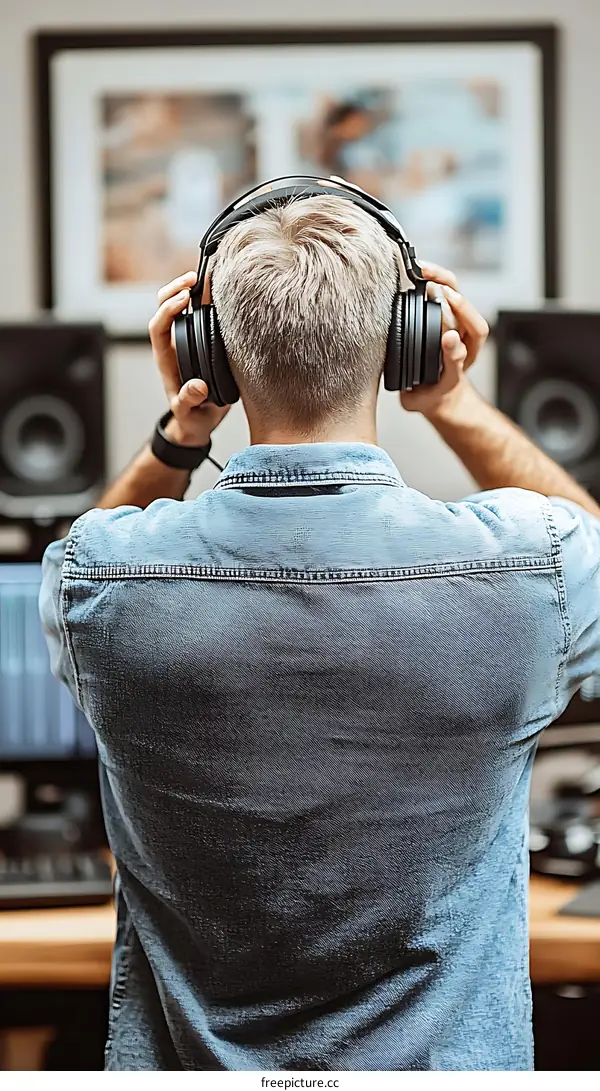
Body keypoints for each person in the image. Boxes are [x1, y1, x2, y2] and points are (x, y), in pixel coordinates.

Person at [40, 192, 600, 1072]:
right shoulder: (534, 566)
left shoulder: (102, 578)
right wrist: (455, 404)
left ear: (211, 355)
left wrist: (182, 434)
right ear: (404, 340)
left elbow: (77, 568)